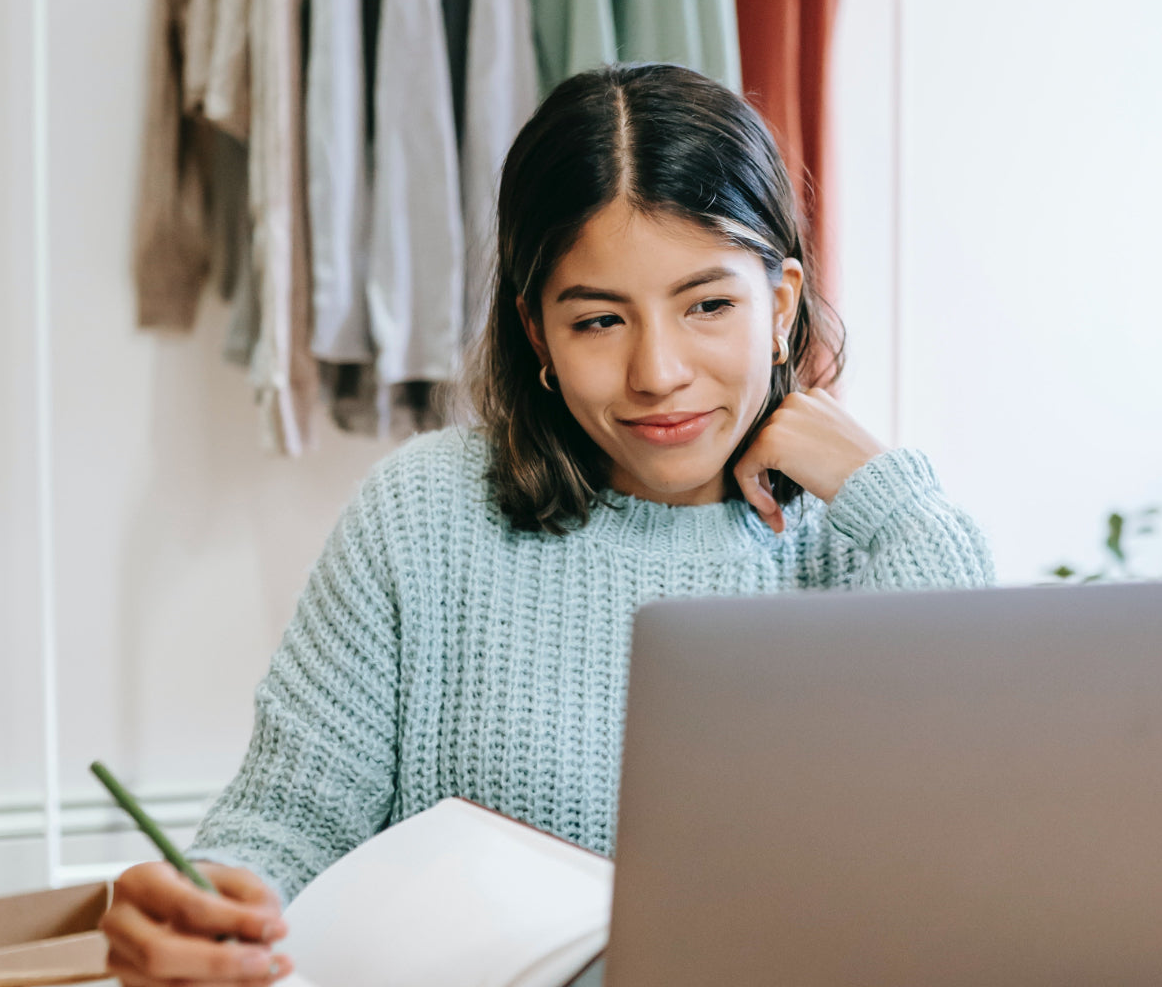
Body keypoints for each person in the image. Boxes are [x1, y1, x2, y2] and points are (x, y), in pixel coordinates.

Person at [98, 62, 995, 986]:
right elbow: (283, 827)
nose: (658, 372)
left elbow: (980, 837)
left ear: (780, 303)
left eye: (709, 306)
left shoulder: (862, 537)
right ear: (537, 335)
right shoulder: (422, 513)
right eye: (600, 322)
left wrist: (893, 496)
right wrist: (203, 906)